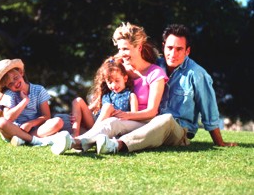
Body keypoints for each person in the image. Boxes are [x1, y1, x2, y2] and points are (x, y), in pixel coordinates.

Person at [95, 23, 237, 154]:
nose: (173, 54)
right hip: (149, 124)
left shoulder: (197, 75)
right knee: (121, 122)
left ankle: (116, 145)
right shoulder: (154, 66)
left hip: (178, 131)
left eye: (179, 49)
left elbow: (209, 111)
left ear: (187, 51)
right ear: (163, 46)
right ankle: (82, 142)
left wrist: (220, 142)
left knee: (166, 119)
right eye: (169, 48)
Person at [50, 22, 169, 155]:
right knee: (66, 119)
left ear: (139, 47)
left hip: (142, 123)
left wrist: (126, 115)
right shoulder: (120, 69)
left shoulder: (155, 73)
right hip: (115, 117)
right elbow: (103, 90)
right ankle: (48, 138)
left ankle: (74, 142)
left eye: (126, 49)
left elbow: (152, 111)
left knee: (113, 122)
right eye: (119, 49)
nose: (122, 53)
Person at [0, 58, 69, 146]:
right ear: (7, 86)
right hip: (15, 130)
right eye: (10, 84)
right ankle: (35, 141)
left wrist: (30, 124)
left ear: (21, 72)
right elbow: (8, 118)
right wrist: (24, 101)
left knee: (58, 122)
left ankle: (23, 139)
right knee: (1, 122)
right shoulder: (9, 94)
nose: (15, 83)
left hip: (36, 129)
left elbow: (46, 116)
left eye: (15, 78)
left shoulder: (39, 90)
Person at [71, 55, 139, 137]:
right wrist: (78, 115)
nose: (114, 85)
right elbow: (89, 109)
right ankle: (75, 135)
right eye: (110, 82)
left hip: (114, 125)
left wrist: (124, 115)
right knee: (77, 101)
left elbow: (134, 116)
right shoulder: (106, 95)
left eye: (117, 81)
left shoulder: (130, 96)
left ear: (125, 78)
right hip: (97, 122)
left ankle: (90, 135)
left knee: (108, 106)